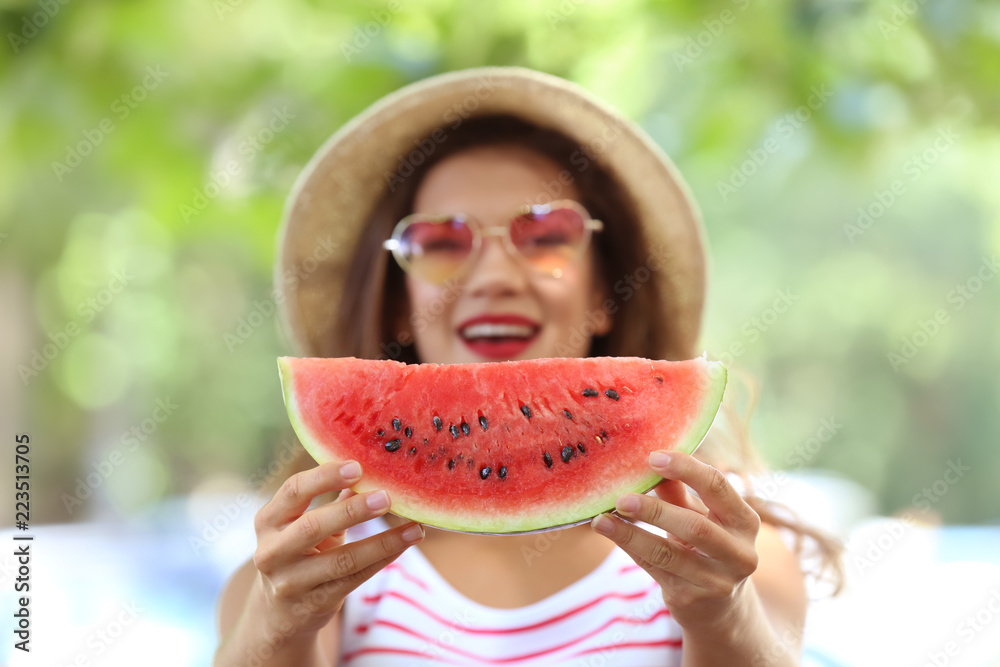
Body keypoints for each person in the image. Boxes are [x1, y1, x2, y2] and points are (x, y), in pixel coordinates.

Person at [213, 67, 842, 666]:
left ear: (602, 295)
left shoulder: (728, 559)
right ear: (399, 309)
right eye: (440, 244)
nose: (493, 275)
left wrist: (722, 615)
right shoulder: (309, 569)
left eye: (544, 235)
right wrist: (280, 622)